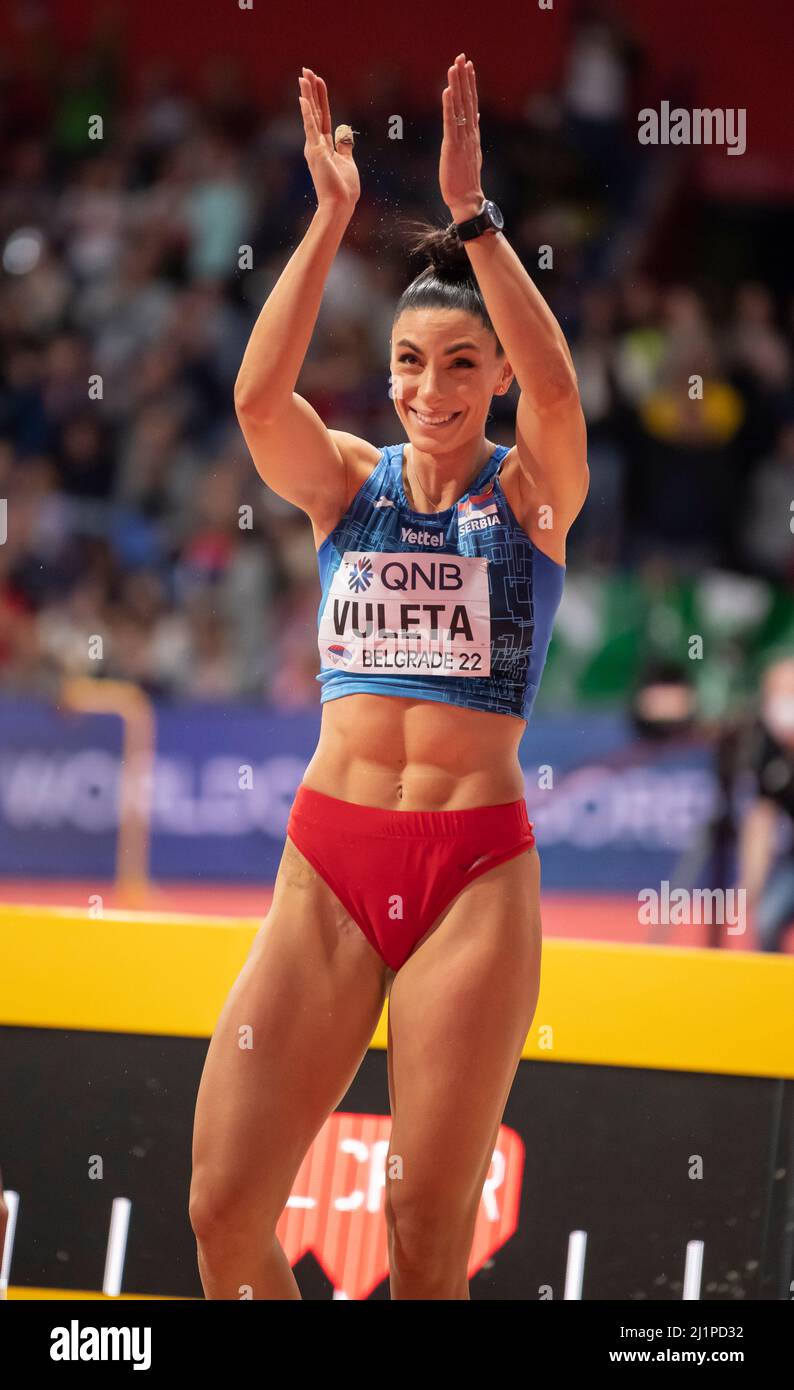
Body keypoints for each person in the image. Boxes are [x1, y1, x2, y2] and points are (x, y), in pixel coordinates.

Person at [190, 54, 588, 1300]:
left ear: (497, 379)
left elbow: (567, 392)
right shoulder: (345, 483)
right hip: (329, 860)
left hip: (471, 871)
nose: (430, 390)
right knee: (222, 1206)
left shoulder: (529, 496)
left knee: (423, 1228)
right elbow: (258, 398)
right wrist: (327, 219)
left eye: (463, 365)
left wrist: (470, 214)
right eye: (411, 364)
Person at [739, 656, 794, 952]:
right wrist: (752, 883)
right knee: (767, 918)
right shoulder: (768, 748)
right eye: (778, 695)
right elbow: (761, 818)